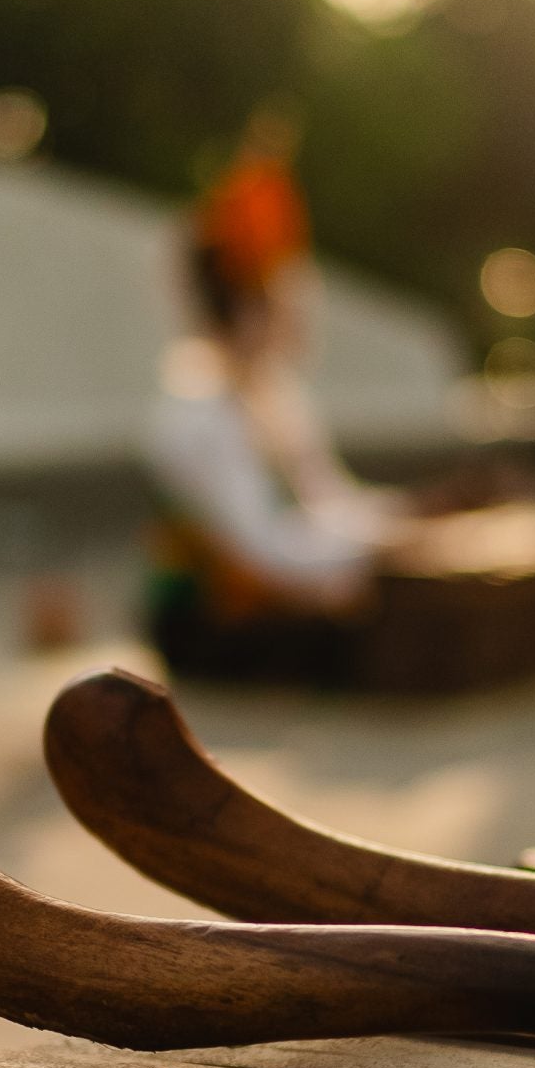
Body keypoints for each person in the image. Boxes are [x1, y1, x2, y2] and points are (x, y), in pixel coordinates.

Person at [141, 117, 409, 680]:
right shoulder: (195, 415)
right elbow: (262, 549)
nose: (297, 311)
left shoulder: (278, 398)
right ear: (240, 310)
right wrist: (386, 544)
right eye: (279, 297)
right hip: (220, 636)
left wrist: (412, 517)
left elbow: (328, 503)